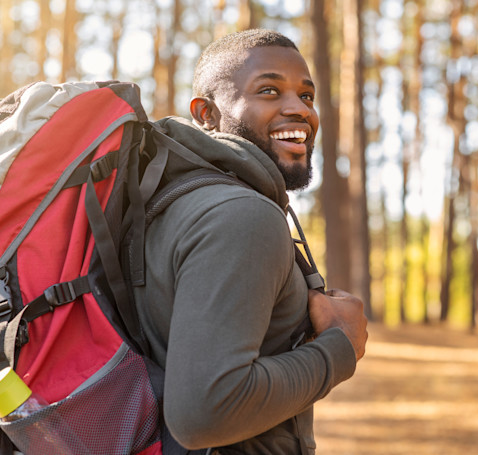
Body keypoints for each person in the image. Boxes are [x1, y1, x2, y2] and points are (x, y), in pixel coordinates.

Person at [133, 29, 369, 454]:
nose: (299, 110)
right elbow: (205, 413)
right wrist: (341, 346)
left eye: (307, 96)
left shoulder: (176, 203)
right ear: (206, 113)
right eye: (269, 90)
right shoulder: (242, 215)